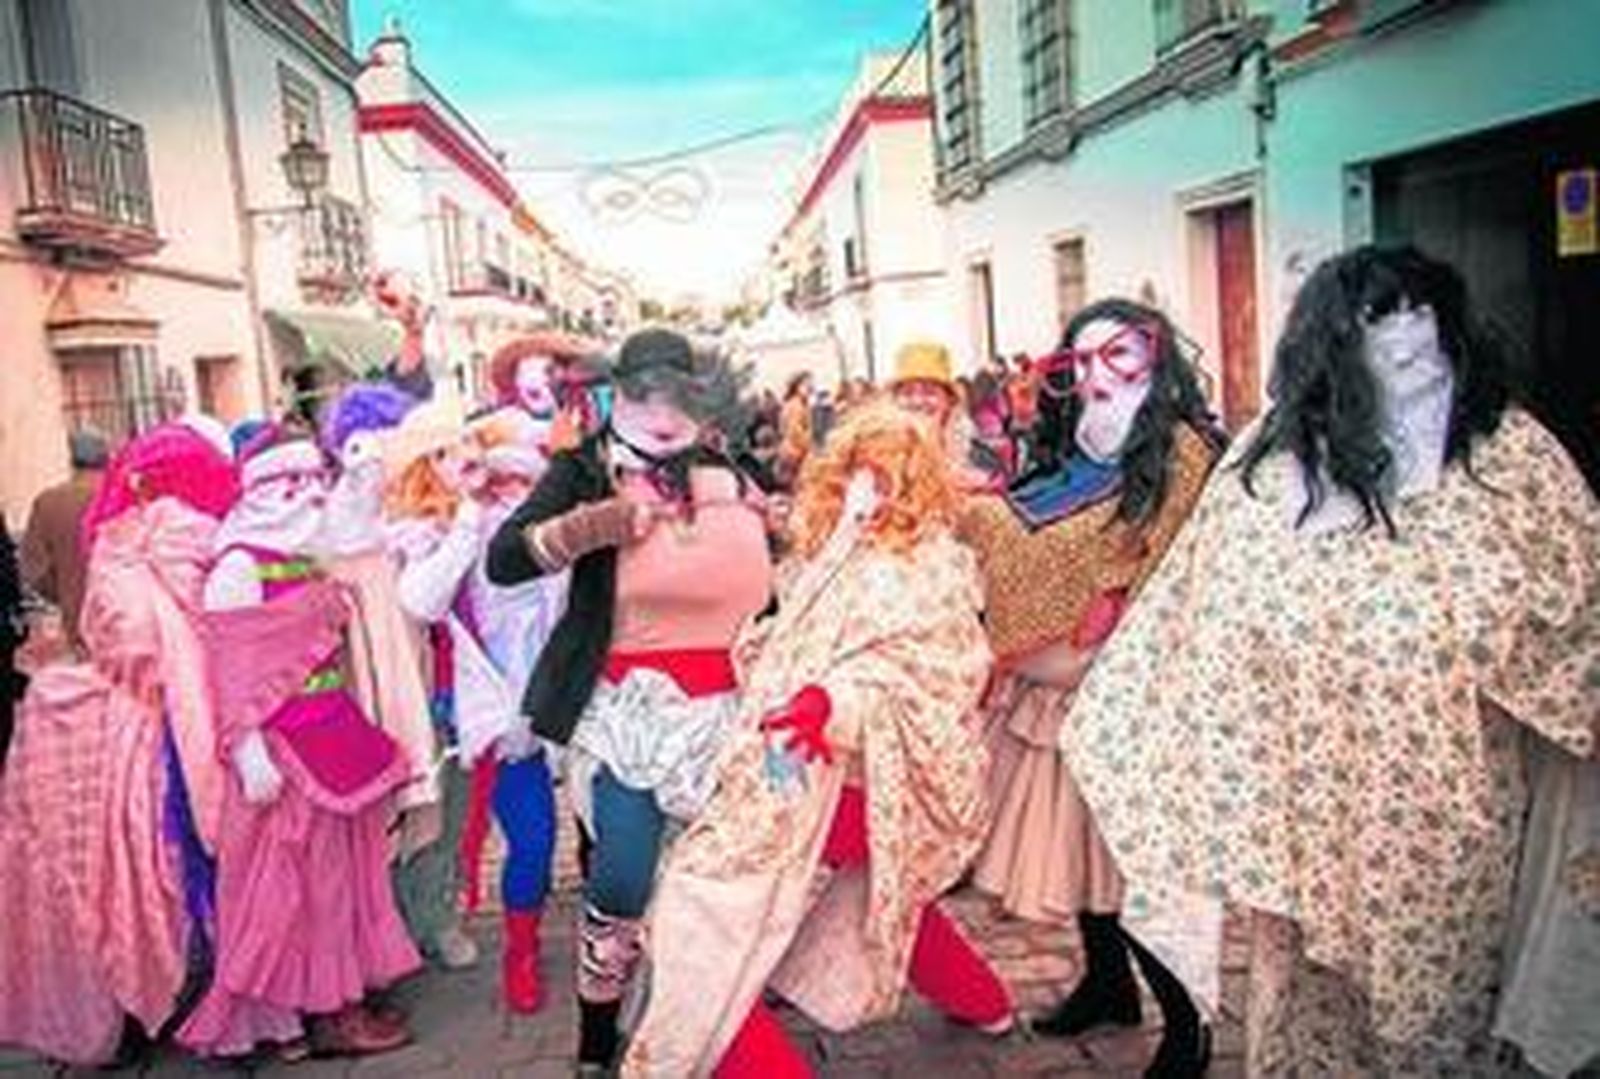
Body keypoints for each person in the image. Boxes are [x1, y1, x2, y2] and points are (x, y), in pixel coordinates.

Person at [1064, 246, 1598, 1075]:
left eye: (1422, 326)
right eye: (1379, 328)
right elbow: (1195, 614)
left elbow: (1575, 613)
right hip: (1304, 824)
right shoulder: (1268, 470)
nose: (1407, 351)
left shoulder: (1511, 458)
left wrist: (1449, 631)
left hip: (1445, 820)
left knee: (1436, 1021)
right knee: (1316, 1024)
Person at [622, 402, 1012, 1078]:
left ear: (914, 480)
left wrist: (828, 704)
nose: (868, 487)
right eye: (860, 470)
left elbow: (929, 674)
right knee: (888, 892)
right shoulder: (837, 550)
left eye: (886, 474)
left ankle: (737, 1054)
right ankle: (987, 1002)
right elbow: (792, 636)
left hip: (853, 776)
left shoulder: (927, 569)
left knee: (696, 913)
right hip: (800, 768)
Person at [486, 328, 773, 1075]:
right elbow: (505, 559)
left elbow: (770, 571)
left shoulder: (720, 468)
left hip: (727, 710)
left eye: (682, 395)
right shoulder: (582, 469)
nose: (664, 411)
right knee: (621, 876)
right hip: (626, 709)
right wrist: (590, 526)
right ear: (618, 394)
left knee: (719, 883)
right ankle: (594, 1036)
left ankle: (705, 1012)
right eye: (646, 394)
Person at [959, 299, 1222, 1076]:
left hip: (1140, 688)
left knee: (1139, 865)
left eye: (1122, 356)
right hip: (1061, 686)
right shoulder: (1070, 448)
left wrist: (1107, 599)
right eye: (1080, 362)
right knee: (1086, 854)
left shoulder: (1178, 448)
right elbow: (1034, 538)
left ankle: (1188, 1025)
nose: (1100, 376)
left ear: (1157, 358)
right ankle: (1109, 985)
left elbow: (1170, 564)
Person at [0, 424, 239, 1065]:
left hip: (128, 723)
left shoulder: (102, 536)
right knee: (194, 867)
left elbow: (109, 632)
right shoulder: (212, 538)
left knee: (128, 872)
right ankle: (231, 998)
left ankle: (152, 1004)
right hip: (196, 726)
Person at [179, 428, 419, 1059]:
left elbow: (358, 535)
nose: (310, 495)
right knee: (300, 890)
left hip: (332, 733)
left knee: (345, 879)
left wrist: (365, 480)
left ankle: (339, 998)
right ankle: (325, 1015)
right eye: (297, 483)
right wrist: (250, 752)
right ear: (263, 489)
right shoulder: (237, 565)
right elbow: (231, 673)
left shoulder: (310, 551)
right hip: (283, 754)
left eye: (317, 481)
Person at [385, 400, 568, 1012]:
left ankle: (521, 946)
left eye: (526, 482)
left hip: (513, 722)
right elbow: (422, 603)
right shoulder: (425, 531)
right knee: (432, 839)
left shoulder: (543, 540)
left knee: (536, 842)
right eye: (500, 480)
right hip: (440, 719)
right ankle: (423, 929)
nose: (510, 493)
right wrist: (467, 518)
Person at [316, 385, 462, 967]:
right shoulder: (338, 517)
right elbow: (339, 548)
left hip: (432, 668)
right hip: (370, 674)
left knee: (439, 800)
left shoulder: (427, 505)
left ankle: (432, 918)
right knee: (379, 804)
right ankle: (381, 932)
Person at [20, 428, 109, 654]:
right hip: (126, 618)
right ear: (107, 456)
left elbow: (34, 569)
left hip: (76, 620)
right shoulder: (120, 495)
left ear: (71, 459)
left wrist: (66, 593)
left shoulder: (48, 502)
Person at [889, 342, 1001, 491]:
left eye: (930, 392)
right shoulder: (878, 455)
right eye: (907, 393)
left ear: (949, 401)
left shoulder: (976, 456)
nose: (917, 401)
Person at [777, 372, 814, 486]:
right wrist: (811, 445)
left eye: (811, 385)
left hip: (790, 451)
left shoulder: (792, 404)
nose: (810, 388)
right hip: (795, 453)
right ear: (797, 386)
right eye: (806, 385)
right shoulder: (796, 406)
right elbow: (796, 432)